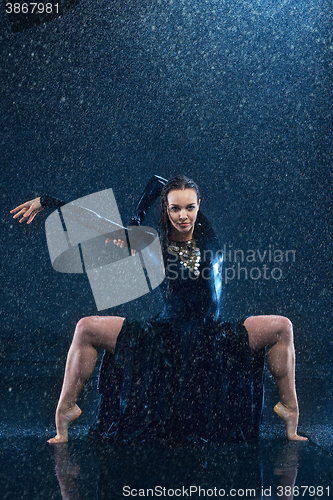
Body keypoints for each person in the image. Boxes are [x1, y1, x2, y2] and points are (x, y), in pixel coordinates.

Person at [10, 175, 307, 443]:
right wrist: (48, 202)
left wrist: (144, 207)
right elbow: (97, 220)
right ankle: (66, 410)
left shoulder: (207, 233)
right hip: (166, 338)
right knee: (86, 327)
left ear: (198, 205)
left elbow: (156, 181)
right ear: (166, 209)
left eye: (189, 207)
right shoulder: (151, 245)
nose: (183, 215)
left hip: (211, 335)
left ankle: (288, 409)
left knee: (282, 327)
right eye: (175, 208)